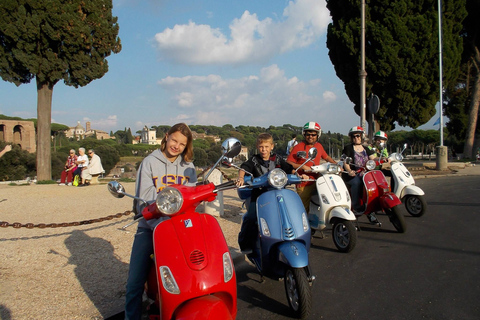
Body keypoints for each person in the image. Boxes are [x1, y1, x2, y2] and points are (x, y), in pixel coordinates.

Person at [125, 123, 197, 320]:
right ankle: (130, 316)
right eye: (174, 140)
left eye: (182, 144)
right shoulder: (149, 163)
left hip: (180, 229)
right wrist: (162, 228)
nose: (176, 146)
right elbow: (144, 200)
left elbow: (191, 199)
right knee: (134, 282)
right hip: (151, 227)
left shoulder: (188, 167)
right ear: (166, 137)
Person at [236, 133, 307, 253]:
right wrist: (241, 178)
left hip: (278, 193)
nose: (264, 149)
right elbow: (244, 168)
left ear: (272, 146)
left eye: (266, 146)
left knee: (288, 212)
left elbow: (289, 168)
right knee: (251, 216)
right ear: (257, 147)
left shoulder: (277, 158)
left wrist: (299, 175)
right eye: (261, 146)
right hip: (259, 195)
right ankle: (245, 244)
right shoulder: (254, 160)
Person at [287, 121, 337, 211]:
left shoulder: (319, 146)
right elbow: (289, 162)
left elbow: (326, 157)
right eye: (308, 134)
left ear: (318, 135)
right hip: (304, 181)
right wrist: (303, 167)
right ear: (304, 134)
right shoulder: (298, 147)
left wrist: (337, 165)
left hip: (318, 179)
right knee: (303, 207)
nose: (310, 137)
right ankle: (303, 223)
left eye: (313, 135)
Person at [341, 126, 376, 221]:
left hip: (366, 174)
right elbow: (345, 162)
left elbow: (373, 158)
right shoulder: (348, 148)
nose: (356, 138)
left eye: (358, 136)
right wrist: (349, 171)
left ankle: (372, 204)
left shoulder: (366, 148)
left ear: (362, 137)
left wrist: (385, 160)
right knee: (357, 183)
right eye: (354, 136)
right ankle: (356, 206)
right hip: (353, 174)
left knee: (374, 183)